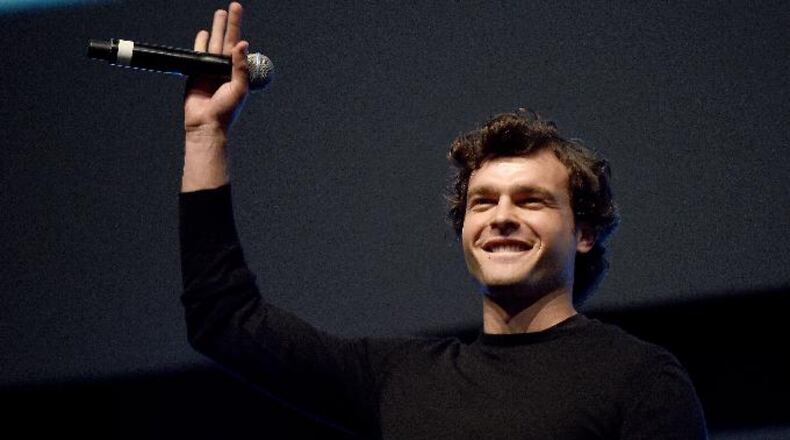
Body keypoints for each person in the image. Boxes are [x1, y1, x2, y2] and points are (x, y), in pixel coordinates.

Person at [178, 3, 708, 438]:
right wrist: (207, 135)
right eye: (482, 202)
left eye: (530, 201)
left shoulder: (639, 380)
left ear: (585, 232)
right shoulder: (400, 380)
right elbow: (224, 320)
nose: (501, 217)